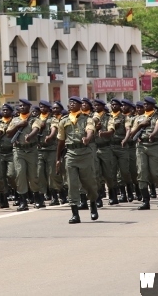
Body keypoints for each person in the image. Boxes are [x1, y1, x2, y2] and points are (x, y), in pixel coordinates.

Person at [56, 96, 98, 224]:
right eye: (70, 103)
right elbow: (61, 141)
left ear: (80, 105)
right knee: (72, 184)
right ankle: (75, 214)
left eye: (75, 103)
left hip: (85, 154)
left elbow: (90, 130)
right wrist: (58, 159)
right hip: (71, 155)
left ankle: (93, 205)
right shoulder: (63, 121)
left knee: (89, 183)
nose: (72, 104)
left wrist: (87, 138)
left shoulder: (87, 119)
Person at [6, 99, 42, 211]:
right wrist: (18, 126)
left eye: (24, 106)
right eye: (20, 105)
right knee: (20, 174)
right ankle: (23, 201)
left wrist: (30, 136)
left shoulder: (34, 119)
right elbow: (8, 133)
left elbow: (36, 129)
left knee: (33, 176)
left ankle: (37, 197)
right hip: (18, 151)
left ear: (29, 107)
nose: (21, 107)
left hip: (31, 150)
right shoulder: (15, 120)